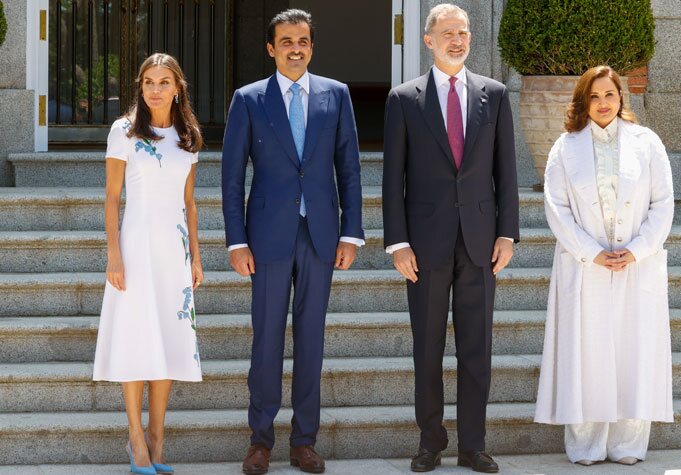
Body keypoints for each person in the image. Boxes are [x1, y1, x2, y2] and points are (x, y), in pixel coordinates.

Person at [221, 9, 364, 475]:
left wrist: (351, 231)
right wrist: (236, 242)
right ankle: (260, 441)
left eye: (302, 40)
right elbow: (230, 178)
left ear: (311, 46)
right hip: (266, 238)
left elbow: (349, 169)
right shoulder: (248, 99)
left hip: (321, 235)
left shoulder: (336, 95)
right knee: (266, 340)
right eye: (286, 41)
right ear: (271, 48)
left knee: (312, 340)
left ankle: (304, 441)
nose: (295, 48)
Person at [382, 4, 519, 473]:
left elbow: (507, 171)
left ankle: (473, 444)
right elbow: (393, 177)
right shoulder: (404, 98)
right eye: (447, 33)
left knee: (477, 347)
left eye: (463, 32)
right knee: (427, 347)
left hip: (481, 241)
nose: (457, 40)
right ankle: (430, 442)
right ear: (428, 40)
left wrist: (507, 233)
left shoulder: (495, 94)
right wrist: (397, 242)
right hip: (423, 245)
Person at [534, 65, 674, 466]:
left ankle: (629, 444)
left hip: (636, 264)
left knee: (634, 351)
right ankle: (587, 444)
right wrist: (589, 251)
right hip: (586, 265)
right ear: (583, 101)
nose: (602, 104)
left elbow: (663, 202)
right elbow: (556, 207)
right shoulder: (566, 146)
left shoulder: (647, 143)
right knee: (587, 353)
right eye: (593, 96)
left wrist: (639, 249)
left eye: (609, 95)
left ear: (621, 98)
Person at [93, 53, 204, 475]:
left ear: (178, 88)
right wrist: (114, 254)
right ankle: (136, 439)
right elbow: (111, 196)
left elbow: (189, 202)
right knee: (136, 338)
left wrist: (195, 255)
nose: (155, 89)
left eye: (164, 81)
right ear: (140, 87)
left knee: (169, 339)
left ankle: (158, 436)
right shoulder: (123, 131)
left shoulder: (188, 134)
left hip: (173, 253)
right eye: (148, 82)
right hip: (135, 248)